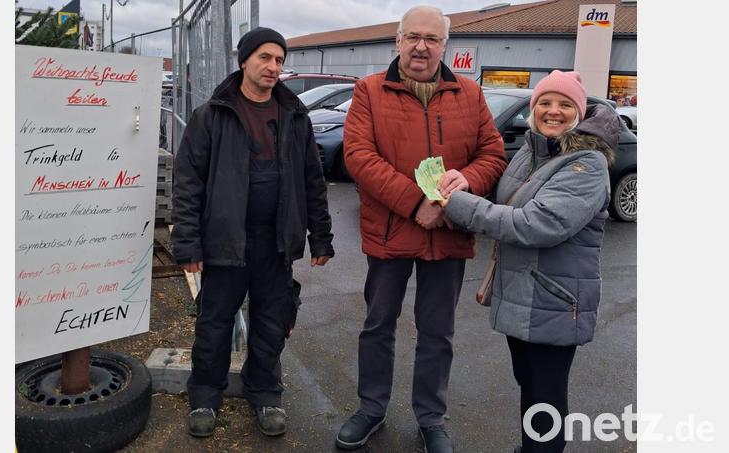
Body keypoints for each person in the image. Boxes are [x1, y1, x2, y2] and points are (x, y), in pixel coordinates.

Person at [337, 5, 507, 452]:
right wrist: (416, 205)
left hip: (448, 233)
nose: (421, 46)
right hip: (392, 230)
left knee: (438, 332)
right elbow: (359, 157)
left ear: (444, 46)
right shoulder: (370, 91)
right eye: (413, 36)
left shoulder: (469, 94)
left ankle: (431, 418)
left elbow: (492, 154)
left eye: (432, 39)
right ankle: (371, 408)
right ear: (397, 40)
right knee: (378, 325)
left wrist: (467, 180)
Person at [437, 70, 620, 452]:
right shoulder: (533, 150)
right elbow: (507, 190)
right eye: (545, 103)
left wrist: (458, 204)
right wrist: (465, 180)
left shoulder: (586, 165)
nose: (553, 112)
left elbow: (536, 224)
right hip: (524, 295)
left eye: (565, 105)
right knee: (531, 386)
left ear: (579, 112)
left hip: (554, 299)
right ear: (534, 108)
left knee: (546, 397)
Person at [171, 26, 335, 439]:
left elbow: (312, 179)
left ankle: (264, 392)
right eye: (264, 57)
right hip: (226, 240)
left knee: (271, 322)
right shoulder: (213, 115)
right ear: (244, 60)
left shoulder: (295, 116)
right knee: (214, 323)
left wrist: (322, 236)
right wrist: (187, 243)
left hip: (276, 242)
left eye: (279, 60)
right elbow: (188, 182)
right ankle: (206, 395)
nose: (273, 67)